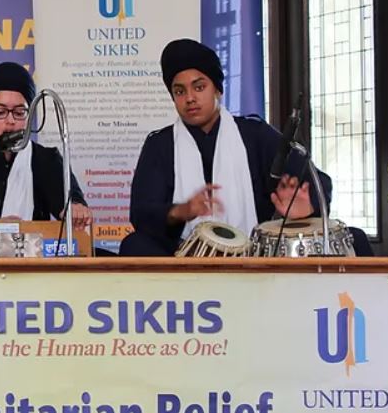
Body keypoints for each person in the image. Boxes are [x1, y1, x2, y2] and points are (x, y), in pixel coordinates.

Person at [120, 38, 373, 256]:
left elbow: (316, 182)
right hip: (182, 253)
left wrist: (307, 208)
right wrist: (180, 211)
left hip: (255, 252)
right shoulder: (160, 144)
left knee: (356, 239)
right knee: (134, 245)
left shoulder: (254, 135)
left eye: (199, 87)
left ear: (217, 90)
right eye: (179, 91)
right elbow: (142, 213)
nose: (190, 98)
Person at [0, 62, 92, 227]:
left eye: (20, 113)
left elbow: (72, 202)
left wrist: (76, 209)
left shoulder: (47, 160)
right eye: (0, 112)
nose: (10, 121)